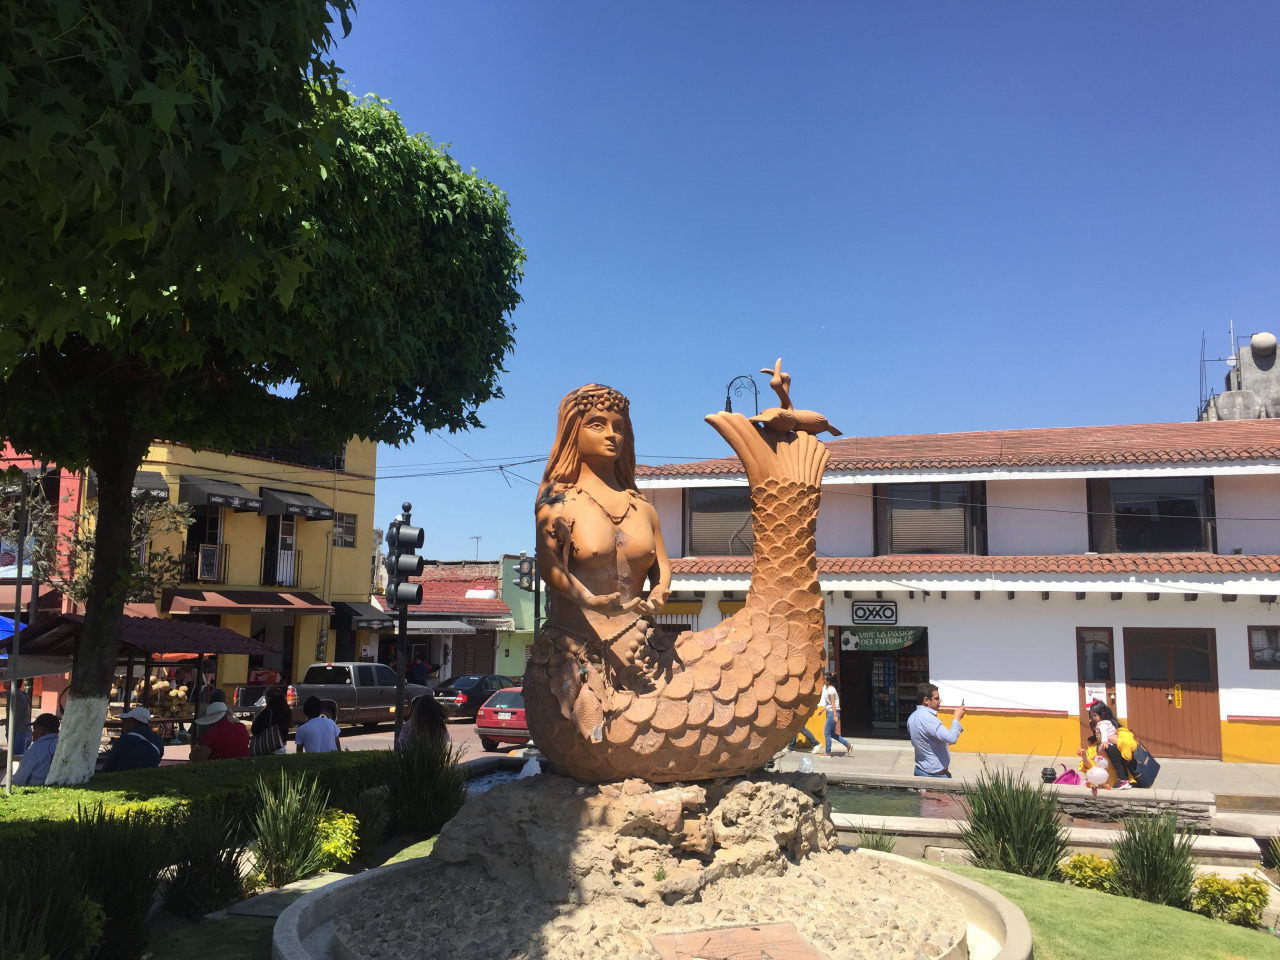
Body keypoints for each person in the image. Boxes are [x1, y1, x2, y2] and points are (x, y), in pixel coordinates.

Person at [907, 682, 965, 778]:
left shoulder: (912, 717)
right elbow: (952, 739)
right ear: (926, 700)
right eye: (936, 698)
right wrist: (956, 718)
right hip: (934, 775)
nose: (940, 700)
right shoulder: (929, 719)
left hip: (921, 770)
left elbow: (929, 741)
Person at [1087, 701, 1135, 789]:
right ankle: (1124, 781)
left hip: (1111, 749)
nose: (1092, 719)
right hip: (1107, 782)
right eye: (1091, 716)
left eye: (1094, 716)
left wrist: (1105, 740)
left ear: (1102, 715)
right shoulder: (1107, 724)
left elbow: (1105, 733)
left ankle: (1123, 781)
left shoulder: (1104, 725)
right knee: (1119, 764)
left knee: (1118, 764)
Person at [102, 707, 164, 773]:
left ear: (132, 721)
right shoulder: (158, 739)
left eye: (125, 721)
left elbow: (108, 766)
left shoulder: (124, 741)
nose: (124, 724)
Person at [13, 713, 59, 786]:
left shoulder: (37, 748)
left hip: (36, 788)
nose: (32, 733)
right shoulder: (61, 743)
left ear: (43, 730)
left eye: (35, 729)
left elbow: (19, 779)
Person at [819, 674, 852, 757]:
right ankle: (847, 744)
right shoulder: (828, 689)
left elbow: (833, 704)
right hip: (831, 712)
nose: (823, 681)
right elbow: (829, 704)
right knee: (831, 733)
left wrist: (834, 715)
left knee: (826, 733)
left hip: (832, 713)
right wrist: (822, 710)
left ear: (828, 681)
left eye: (825, 679)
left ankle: (828, 752)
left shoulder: (831, 690)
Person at [250, 688, 291, 755]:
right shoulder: (287, 710)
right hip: (281, 745)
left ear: (269, 699)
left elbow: (254, 730)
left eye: (265, 698)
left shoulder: (267, 712)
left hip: (269, 746)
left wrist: (255, 720)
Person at [6, 678, 32, 757]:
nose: (4, 681)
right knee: (21, 759)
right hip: (25, 732)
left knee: (16, 760)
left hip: (18, 734)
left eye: (7, 679)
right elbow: (21, 714)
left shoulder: (13, 693)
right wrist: (6, 721)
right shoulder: (24, 694)